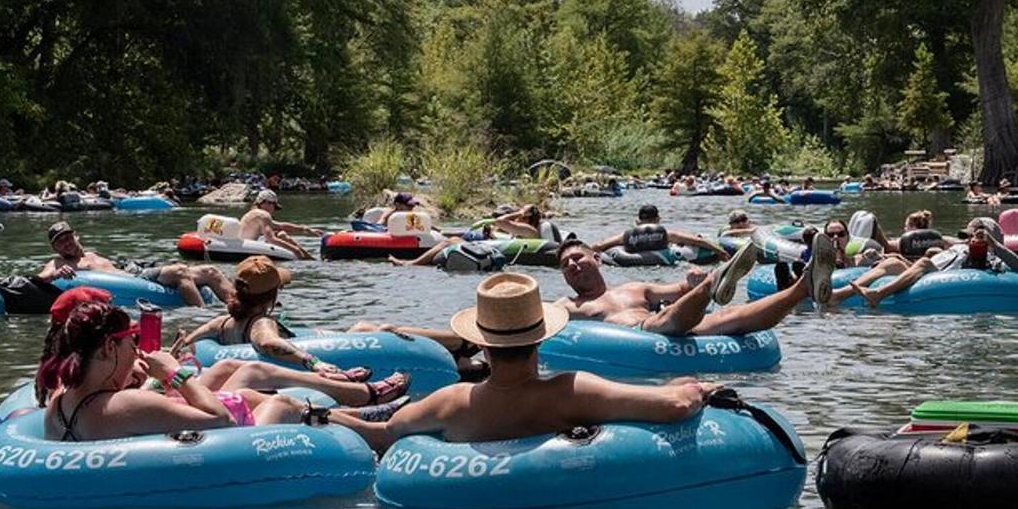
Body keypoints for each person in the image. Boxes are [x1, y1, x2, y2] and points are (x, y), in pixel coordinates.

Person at [349, 273, 722, 452]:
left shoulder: (450, 401)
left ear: (483, 345)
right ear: (540, 338)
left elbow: (384, 433)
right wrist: (697, 388)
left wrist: (318, 415)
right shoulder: (570, 391)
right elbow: (673, 406)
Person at [35, 299, 394, 442]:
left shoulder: (59, 405)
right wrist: (174, 373)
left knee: (248, 395)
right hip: (230, 457)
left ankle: (361, 415)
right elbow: (219, 420)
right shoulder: (124, 404)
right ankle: (378, 433)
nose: (137, 349)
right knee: (282, 405)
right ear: (110, 348)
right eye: (132, 341)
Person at [180, 256, 413, 399]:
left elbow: (186, 343)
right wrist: (313, 361)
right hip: (278, 382)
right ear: (272, 297)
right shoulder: (261, 322)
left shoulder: (221, 324)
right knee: (365, 328)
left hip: (240, 373)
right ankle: (445, 339)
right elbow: (267, 342)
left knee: (361, 327)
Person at [555, 235, 834, 337]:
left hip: (668, 325)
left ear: (596, 259)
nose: (571, 265)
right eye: (565, 265)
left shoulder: (634, 288)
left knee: (727, 316)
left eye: (577, 257)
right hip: (641, 333)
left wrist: (692, 282)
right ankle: (717, 281)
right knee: (660, 321)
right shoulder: (567, 305)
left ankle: (803, 287)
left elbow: (679, 290)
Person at [37, 221, 231, 307]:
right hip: (138, 281)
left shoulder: (91, 254)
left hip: (137, 274)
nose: (67, 243)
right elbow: (39, 279)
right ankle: (200, 316)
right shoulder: (58, 261)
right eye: (60, 241)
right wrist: (56, 273)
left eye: (68, 237)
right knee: (180, 271)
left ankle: (243, 308)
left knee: (211, 271)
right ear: (55, 248)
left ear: (76, 235)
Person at [848, 217, 1018, 308]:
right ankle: (837, 295)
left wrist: (992, 244)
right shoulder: (959, 249)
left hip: (966, 283)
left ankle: (878, 294)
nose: (970, 239)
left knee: (925, 260)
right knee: (894, 261)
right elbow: (934, 266)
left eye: (977, 236)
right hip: (939, 275)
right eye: (968, 235)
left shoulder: (995, 258)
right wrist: (895, 259)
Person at [592, 204, 729, 262]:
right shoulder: (668, 234)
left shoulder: (625, 236)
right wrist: (720, 252)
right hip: (664, 262)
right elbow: (699, 242)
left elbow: (598, 246)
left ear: (638, 221)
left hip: (628, 262)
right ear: (658, 219)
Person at [238, 189, 321, 260]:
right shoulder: (263, 215)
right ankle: (309, 259)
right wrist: (296, 250)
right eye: (274, 206)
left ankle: (309, 258)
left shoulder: (254, 214)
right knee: (281, 235)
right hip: (244, 251)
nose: (273, 209)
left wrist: (305, 229)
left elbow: (281, 226)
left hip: (242, 247)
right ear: (267, 203)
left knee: (281, 233)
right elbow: (271, 239)